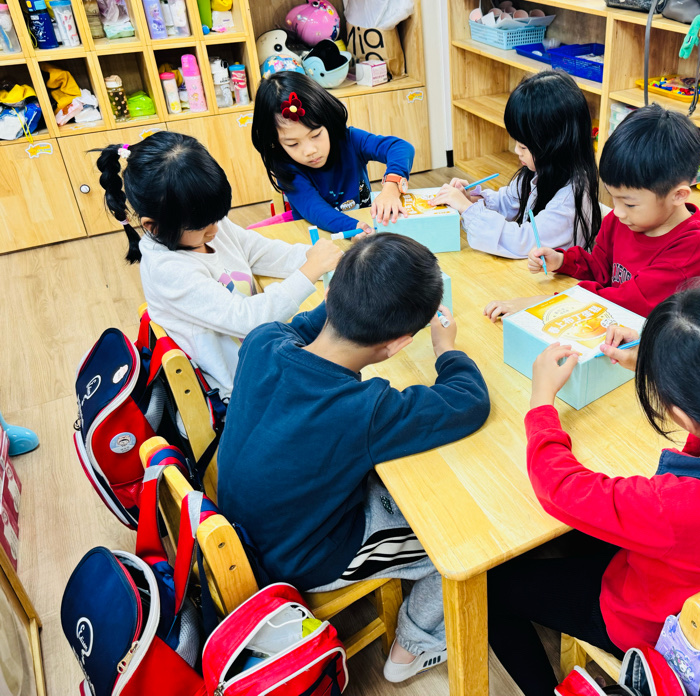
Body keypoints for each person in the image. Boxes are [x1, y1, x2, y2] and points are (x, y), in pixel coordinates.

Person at [487, 281, 700, 696]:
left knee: (492, 586)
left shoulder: (675, 506)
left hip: (642, 624)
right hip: (698, 583)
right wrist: (660, 363)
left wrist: (541, 402)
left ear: (684, 416)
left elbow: (559, 488)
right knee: (573, 543)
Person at [217, 233, 491, 683]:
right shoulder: (364, 410)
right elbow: (468, 401)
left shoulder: (263, 341)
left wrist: (357, 286)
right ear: (398, 345)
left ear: (330, 294)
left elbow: (305, 325)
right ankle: (413, 647)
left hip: (247, 524)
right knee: (460, 538)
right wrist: (447, 348)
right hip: (299, 557)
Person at [97, 131, 341, 398]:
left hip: (261, 353)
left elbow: (261, 252)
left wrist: (320, 258)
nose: (215, 229)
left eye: (217, 218)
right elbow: (248, 320)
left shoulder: (206, 224)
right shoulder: (168, 270)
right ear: (153, 226)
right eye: (202, 227)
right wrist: (309, 271)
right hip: (238, 388)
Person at [484, 103, 700, 321]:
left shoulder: (694, 243)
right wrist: (563, 261)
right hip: (612, 322)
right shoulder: (622, 220)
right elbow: (601, 269)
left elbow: (630, 302)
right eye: (614, 198)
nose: (618, 212)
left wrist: (544, 303)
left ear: (678, 195)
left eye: (629, 204)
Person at [428, 71, 601, 258]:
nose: (517, 150)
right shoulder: (540, 172)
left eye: (524, 146)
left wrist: (467, 209)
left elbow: (523, 242)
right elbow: (507, 201)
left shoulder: (569, 201)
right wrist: (470, 200)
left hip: (556, 276)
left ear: (556, 145)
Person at [251, 70, 413, 234]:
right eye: (293, 144)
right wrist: (354, 228)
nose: (310, 151)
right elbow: (315, 210)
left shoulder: (349, 139)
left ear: (328, 121)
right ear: (276, 143)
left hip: (364, 226)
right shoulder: (286, 166)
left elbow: (400, 148)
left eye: (316, 135)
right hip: (320, 237)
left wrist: (392, 187)